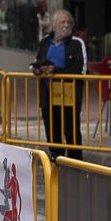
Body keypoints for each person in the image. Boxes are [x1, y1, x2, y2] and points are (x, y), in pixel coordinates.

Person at [32, 9, 87, 160]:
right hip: (48, 95)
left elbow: (80, 69)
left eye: (68, 22)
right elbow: (35, 63)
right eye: (62, 22)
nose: (66, 25)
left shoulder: (77, 43)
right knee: (52, 131)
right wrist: (39, 69)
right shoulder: (44, 42)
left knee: (72, 133)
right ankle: (56, 163)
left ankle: (76, 165)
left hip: (68, 95)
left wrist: (56, 70)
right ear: (54, 25)